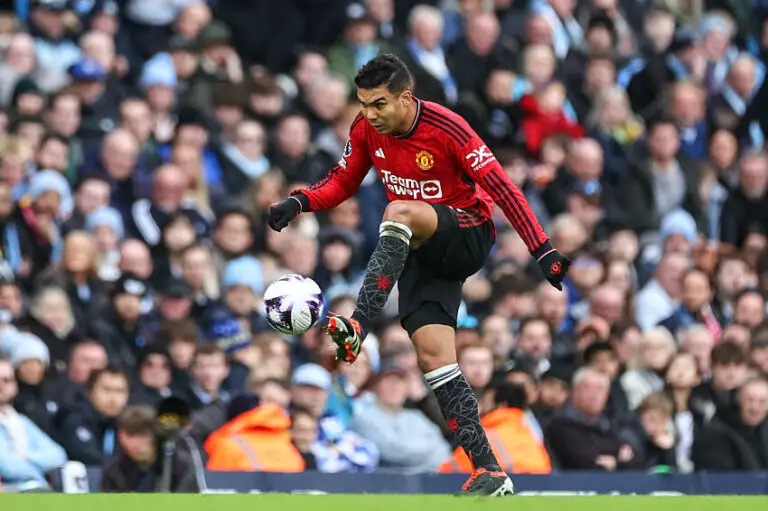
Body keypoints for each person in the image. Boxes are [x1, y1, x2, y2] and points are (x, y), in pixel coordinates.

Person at [268, 53, 569, 496]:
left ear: (406, 98)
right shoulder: (366, 128)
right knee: (433, 359)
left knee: (398, 209)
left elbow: (502, 187)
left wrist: (542, 248)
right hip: (418, 249)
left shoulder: (448, 129)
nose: (370, 114)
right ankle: (489, 470)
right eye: (364, 104)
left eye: (379, 104)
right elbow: (343, 180)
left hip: (466, 232)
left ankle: (359, 325)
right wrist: (300, 201)